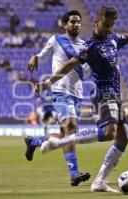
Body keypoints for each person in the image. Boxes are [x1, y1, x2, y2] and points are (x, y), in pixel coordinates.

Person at [35, 6, 128, 192]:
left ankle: (99, 182)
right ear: (96, 22)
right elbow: (70, 65)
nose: (109, 28)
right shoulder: (90, 46)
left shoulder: (113, 39)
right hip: (103, 93)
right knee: (109, 132)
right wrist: (48, 83)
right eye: (106, 24)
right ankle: (61, 142)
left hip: (115, 95)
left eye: (112, 24)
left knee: (123, 138)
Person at [24, 10, 91, 186]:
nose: (76, 24)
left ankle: (35, 141)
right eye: (72, 22)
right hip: (60, 90)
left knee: (67, 134)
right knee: (70, 127)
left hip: (77, 94)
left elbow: (85, 71)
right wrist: (34, 57)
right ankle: (74, 173)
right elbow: (41, 55)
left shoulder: (85, 46)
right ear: (64, 25)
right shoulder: (56, 40)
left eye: (78, 22)